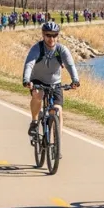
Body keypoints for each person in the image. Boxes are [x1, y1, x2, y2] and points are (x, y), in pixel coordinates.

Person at [23, 22, 80, 157]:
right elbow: (29, 64)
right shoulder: (37, 48)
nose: (51, 38)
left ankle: (57, 145)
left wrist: (75, 80)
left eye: (54, 35)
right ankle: (35, 121)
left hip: (55, 83)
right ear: (43, 35)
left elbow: (70, 65)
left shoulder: (61, 50)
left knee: (58, 110)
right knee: (37, 95)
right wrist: (26, 80)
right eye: (48, 35)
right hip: (37, 80)